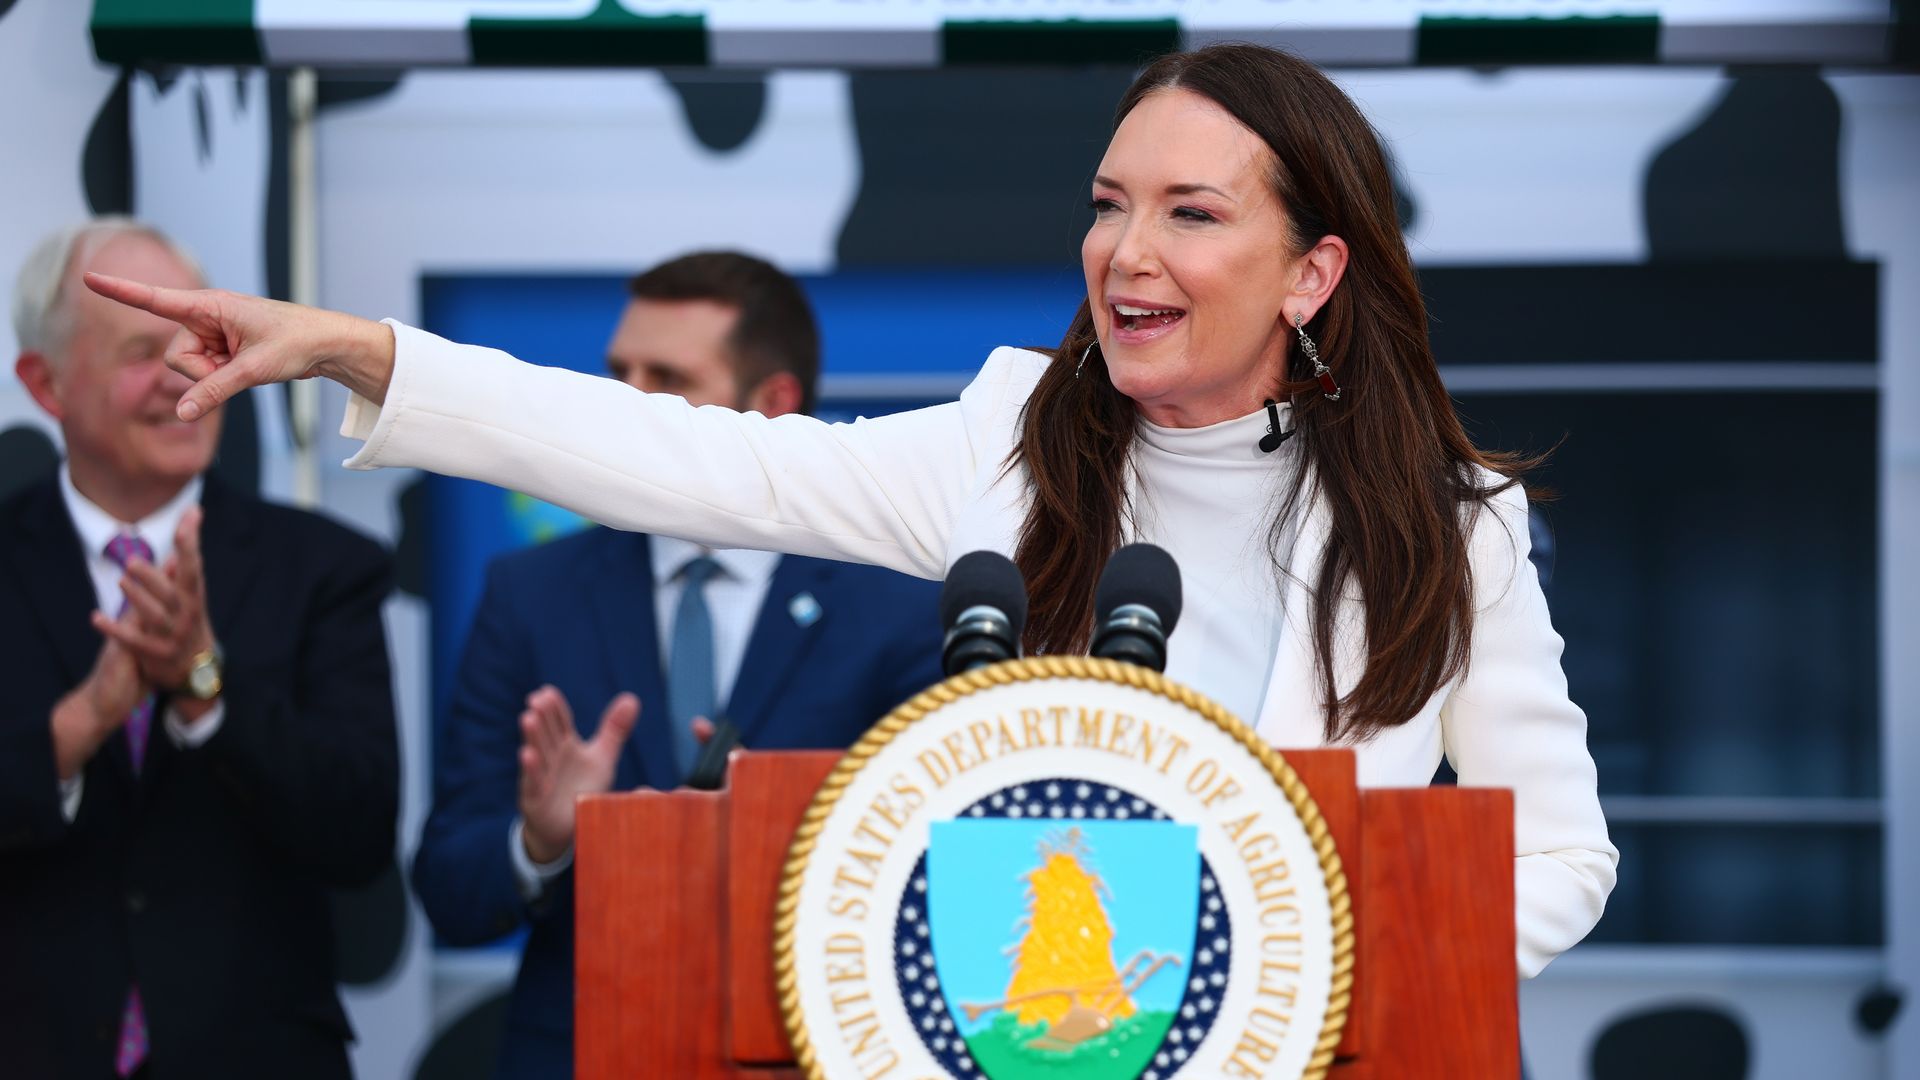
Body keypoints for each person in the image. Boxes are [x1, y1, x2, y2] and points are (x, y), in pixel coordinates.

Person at [87, 44, 1618, 979]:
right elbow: (683, 458)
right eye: (1108, 202)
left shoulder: (1450, 523)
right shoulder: (1008, 448)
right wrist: (365, 350)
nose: (1124, 249)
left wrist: (1306, 961)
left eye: (1191, 212)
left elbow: (1563, 862)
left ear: (1311, 273)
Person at [408, 252, 945, 1077]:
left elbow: (939, 884)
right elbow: (449, 885)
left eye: (667, 377)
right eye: (617, 372)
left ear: (774, 406)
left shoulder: (902, 605)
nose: (623, 404)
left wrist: (774, 831)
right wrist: (542, 843)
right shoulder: (530, 593)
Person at [0, 219, 399, 1079]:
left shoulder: (326, 568)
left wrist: (205, 690)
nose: (185, 374)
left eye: (201, 344)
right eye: (142, 351)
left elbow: (359, 834)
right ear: (47, 384)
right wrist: (81, 723)